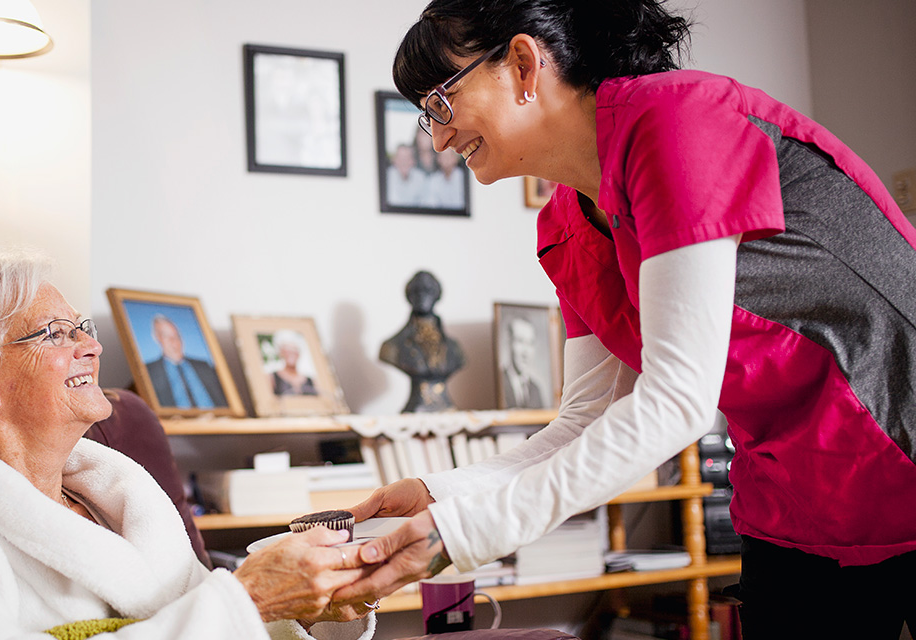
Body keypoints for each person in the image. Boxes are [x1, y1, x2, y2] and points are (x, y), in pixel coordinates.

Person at [337, 1, 916, 637]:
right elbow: (586, 420)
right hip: (798, 504)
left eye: (441, 104)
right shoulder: (563, 224)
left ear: (524, 65)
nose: (437, 138)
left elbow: (677, 400)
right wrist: (444, 492)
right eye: (426, 117)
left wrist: (464, 532)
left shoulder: (675, 120)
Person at [0, 244, 378, 640]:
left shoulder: (127, 505)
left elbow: (222, 621)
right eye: (56, 333)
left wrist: (312, 612)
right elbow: (221, 617)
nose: (92, 346)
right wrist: (248, 596)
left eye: (81, 327)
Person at [379, 270, 465, 412]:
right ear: (409, 296)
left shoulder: (454, 348)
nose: (422, 296)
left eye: (427, 290)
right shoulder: (393, 346)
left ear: (436, 295)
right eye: (416, 291)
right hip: (416, 406)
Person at [144, 314, 228, 409]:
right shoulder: (148, 371)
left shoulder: (205, 366)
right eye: (167, 336)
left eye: (176, 335)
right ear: (157, 338)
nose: (174, 341)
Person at [500, 315, 547, 409]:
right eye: (520, 341)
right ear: (509, 343)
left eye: (530, 343)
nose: (525, 352)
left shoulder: (536, 390)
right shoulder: (500, 383)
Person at [271, 330, 318, 396]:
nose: (291, 354)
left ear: (298, 353)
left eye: (294, 350)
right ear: (281, 353)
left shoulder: (310, 381)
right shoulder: (273, 378)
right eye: (288, 351)